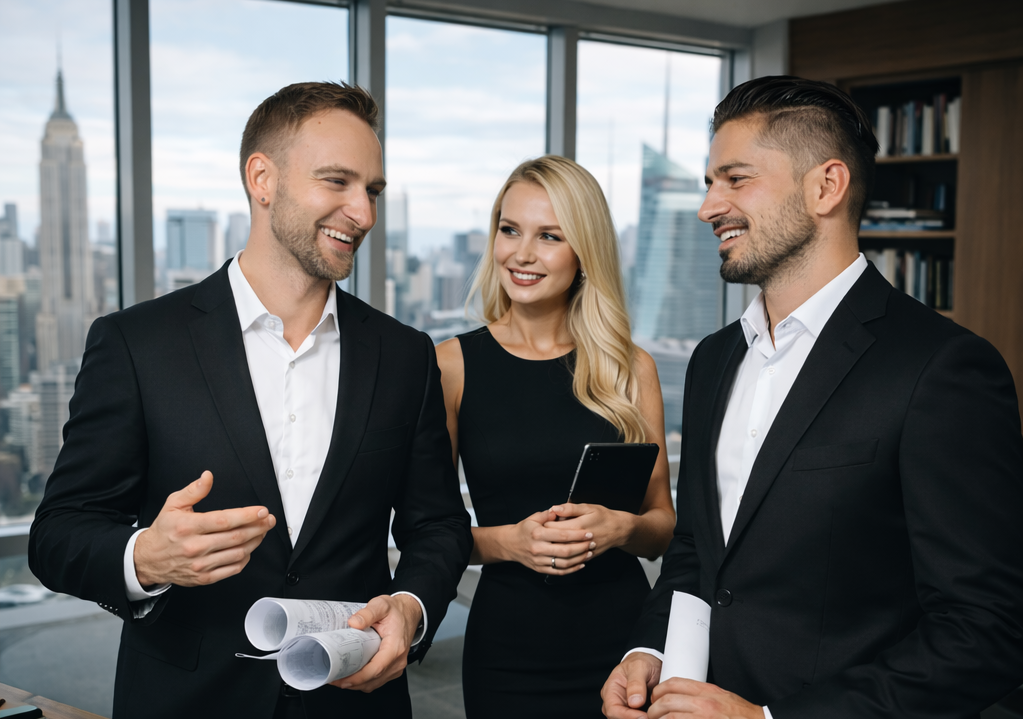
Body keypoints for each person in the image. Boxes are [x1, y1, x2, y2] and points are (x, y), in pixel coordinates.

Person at [28, 82, 472, 719]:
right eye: (337, 182)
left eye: (371, 190)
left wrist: (412, 608)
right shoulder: (137, 343)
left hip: (354, 704)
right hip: (188, 701)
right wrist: (144, 557)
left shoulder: (404, 355)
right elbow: (57, 533)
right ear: (262, 179)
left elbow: (437, 525)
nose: (364, 213)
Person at [601, 76, 1023, 719]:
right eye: (709, 182)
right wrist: (648, 650)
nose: (708, 207)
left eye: (735, 179)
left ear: (826, 186)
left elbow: (986, 632)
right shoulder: (714, 359)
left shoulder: (943, 368)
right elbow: (697, 557)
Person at [435, 155, 676, 719]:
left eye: (549, 236)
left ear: (583, 253)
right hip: (507, 647)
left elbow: (663, 528)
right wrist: (510, 543)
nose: (521, 253)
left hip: (621, 646)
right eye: (509, 229)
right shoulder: (452, 365)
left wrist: (624, 528)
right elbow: (431, 533)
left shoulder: (630, 368)